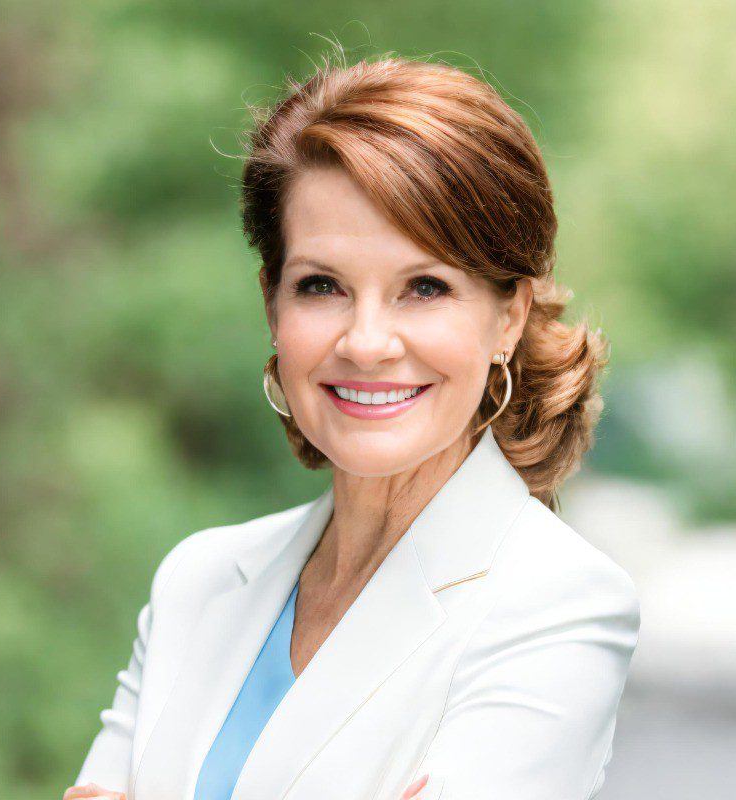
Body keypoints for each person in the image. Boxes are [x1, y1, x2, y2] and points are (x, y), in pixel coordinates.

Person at [64, 55, 640, 800]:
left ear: (509, 317)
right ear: (273, 304)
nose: (366, 343)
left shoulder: (558, 603)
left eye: (425, 287)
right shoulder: (197, 582)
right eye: (321, 286)